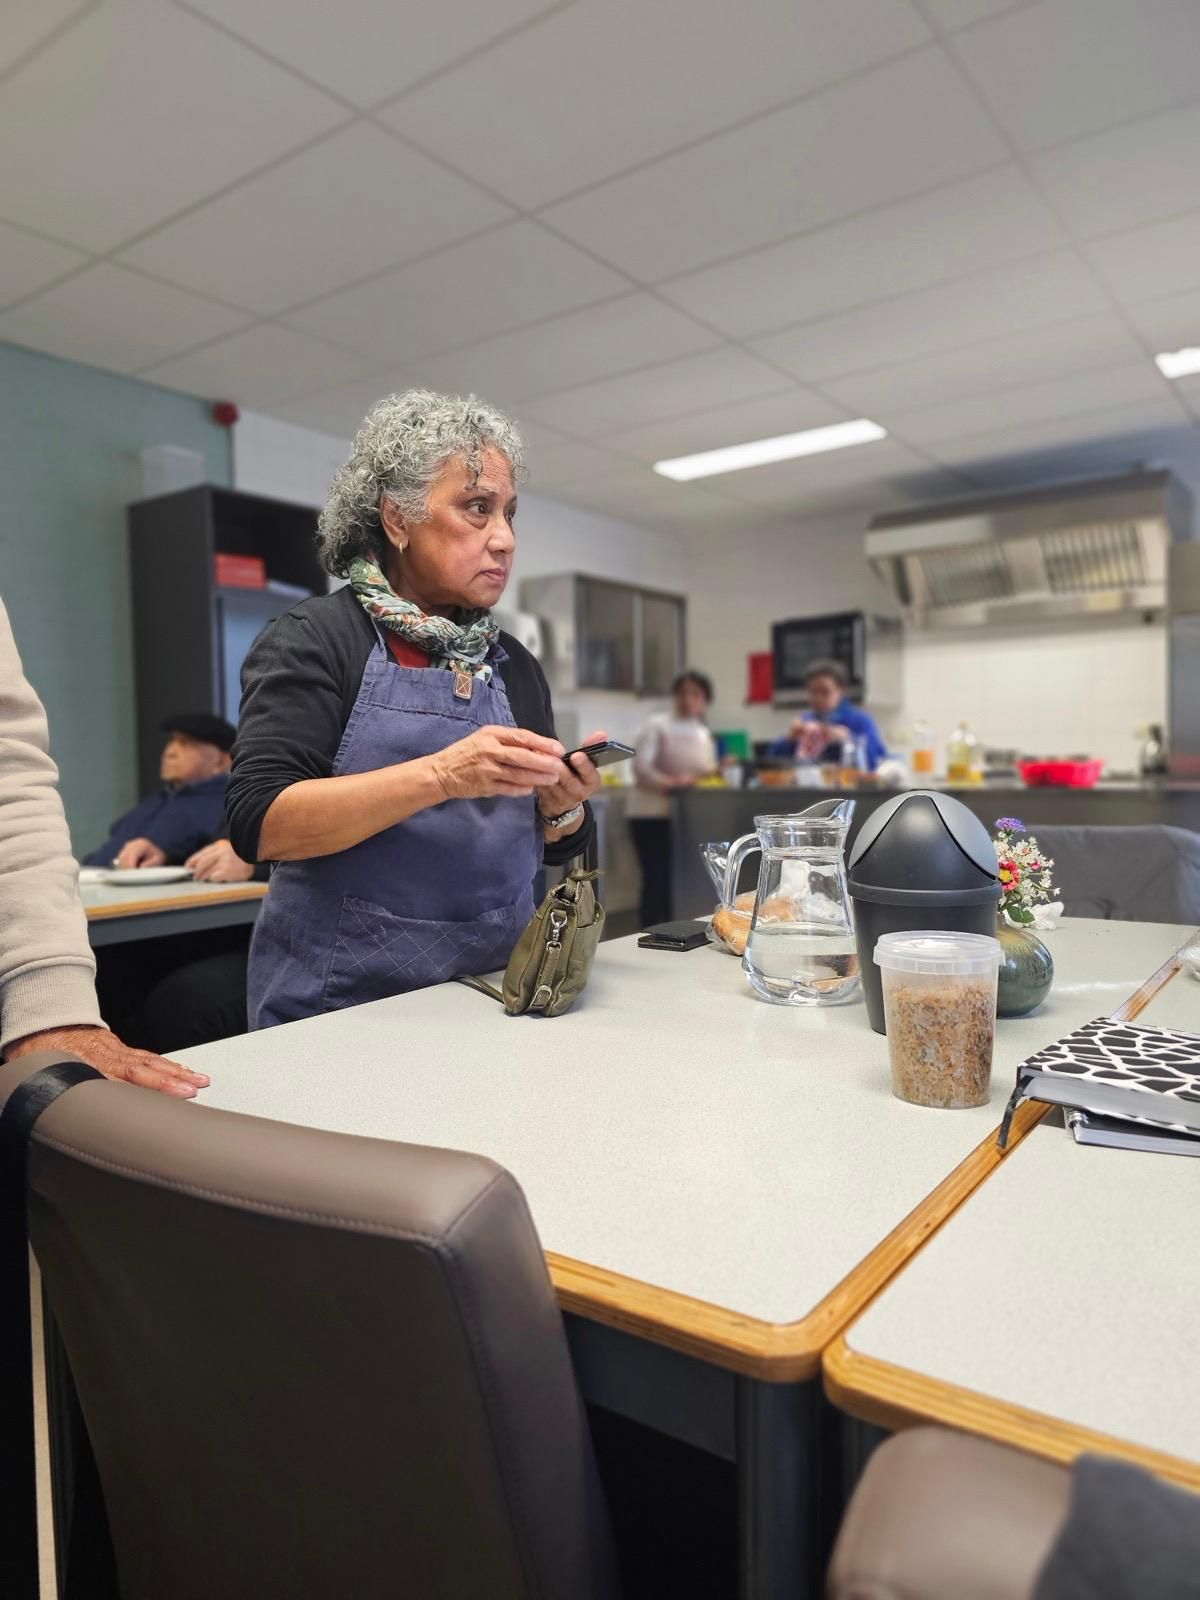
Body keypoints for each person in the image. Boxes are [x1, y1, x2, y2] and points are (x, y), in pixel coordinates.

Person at [227, 389, 604, 1030]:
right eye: (476, 510)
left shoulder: (512, 661)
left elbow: (552, 847)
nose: (505, 539)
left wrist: (563, 807)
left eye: (510, 514)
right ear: (397, 520)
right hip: (341, 1004)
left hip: (500, 989)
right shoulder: (316, 639)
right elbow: (262, 823)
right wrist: (443, 776)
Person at [0, 597, 207, 1096]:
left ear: (217, 756)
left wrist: (48, 1010)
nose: (169, 754)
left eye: (182, 745)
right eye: (167, 745)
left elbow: (9, 777)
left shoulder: (215, 801)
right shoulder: (152, 805)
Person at [83, 712, 235, 868]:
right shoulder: (157, 798)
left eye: (185, 743)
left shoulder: (227, 803)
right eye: (171, 741)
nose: (169, 752)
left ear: (221, 760)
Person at [627, 670, 718, 928]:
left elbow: (705, 770)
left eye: (696, 694)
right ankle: (649, 932)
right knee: (656, 877)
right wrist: (673, 784)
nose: (688, 699)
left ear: (705, 701)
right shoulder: (658, 725)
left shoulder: (702, 732)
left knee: (677, 880)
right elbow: (641, 768)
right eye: (683, 693)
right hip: (650, 814)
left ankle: (676, 930)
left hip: (685, 817)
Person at [768, 658, 887, 771]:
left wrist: (848, 740)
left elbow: (878, 761)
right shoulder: (805, 721)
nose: (818, 699)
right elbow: (772, 764)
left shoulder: (860, 721)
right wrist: (789, 739)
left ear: (841, 691)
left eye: (825, 692)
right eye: (813, 692)